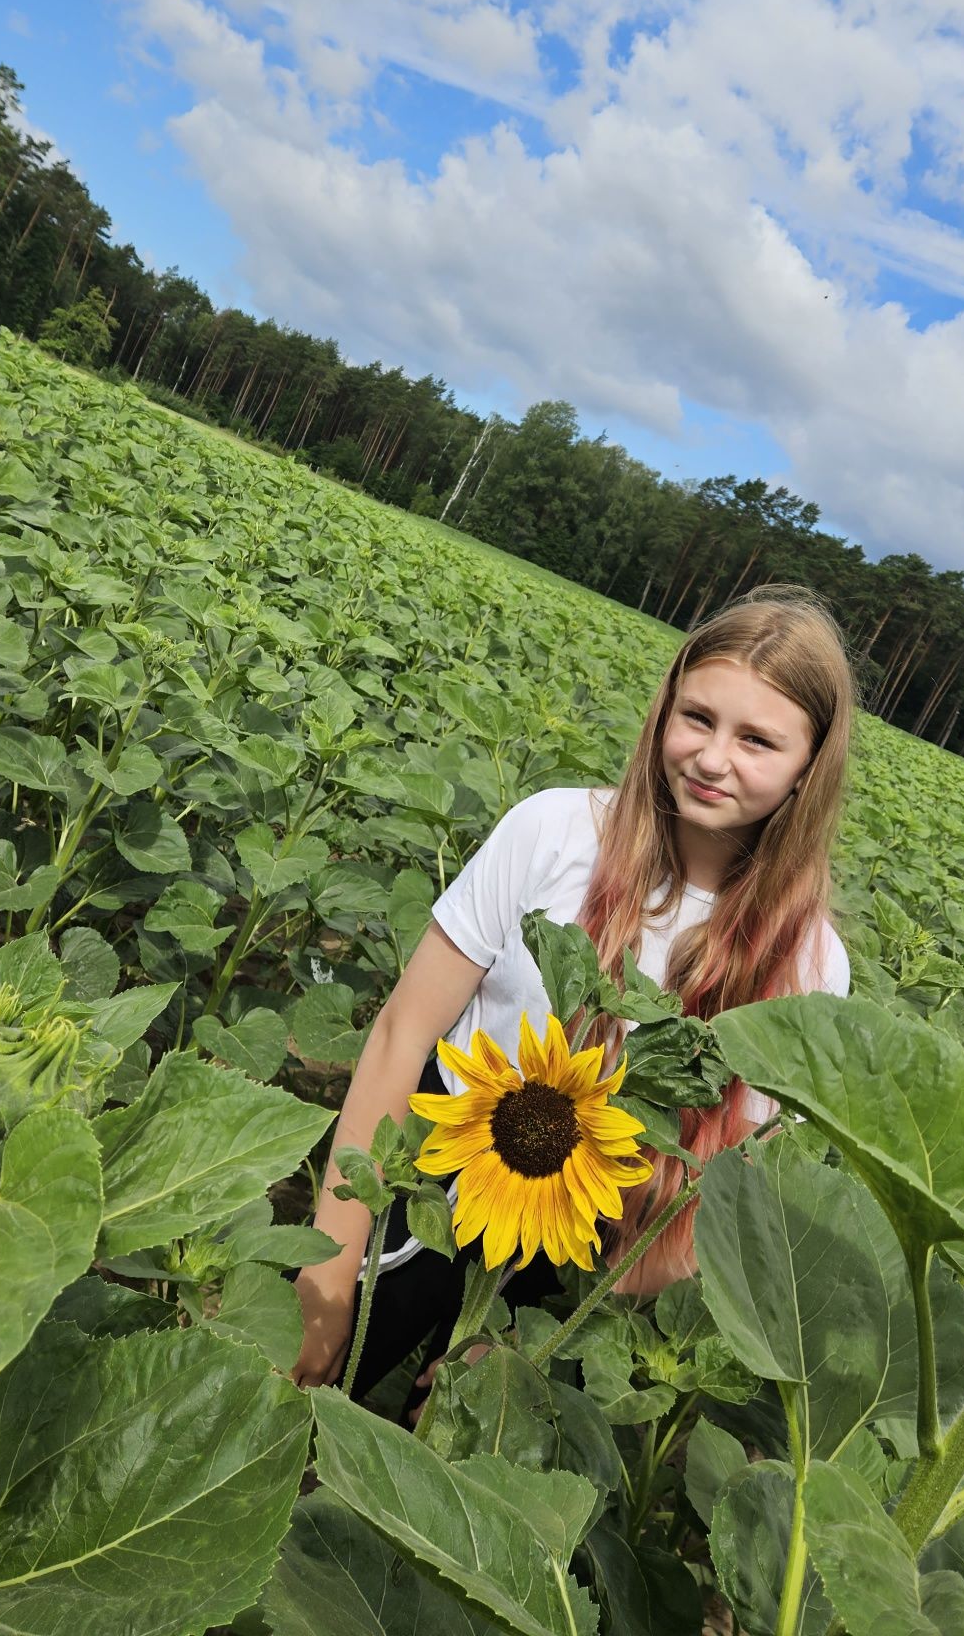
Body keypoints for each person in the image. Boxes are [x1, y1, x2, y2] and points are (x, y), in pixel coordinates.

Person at [290, 584, 855, 1410]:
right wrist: (331, 1266)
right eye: (697, 718)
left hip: (586, 1260)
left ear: (809, 768)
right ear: (664, 711)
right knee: (283, 1404)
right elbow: (402, 1031)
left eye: (758, 741)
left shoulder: (809, 963)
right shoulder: (555, 832)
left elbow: (721, 1199)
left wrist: (535, 1346)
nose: (711, 758)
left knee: (436, 1497)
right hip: (427, 1168)